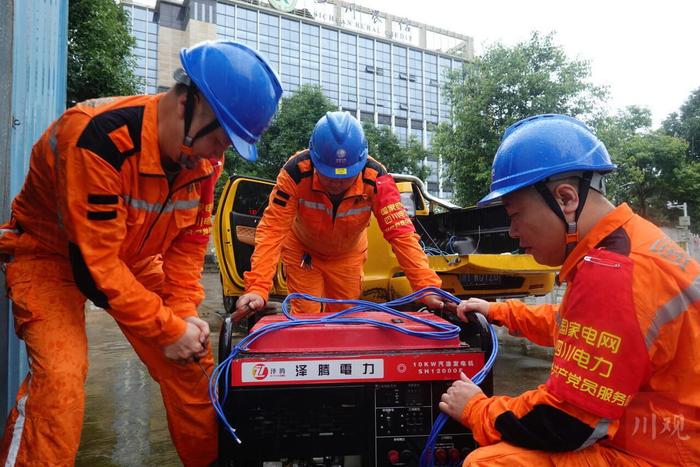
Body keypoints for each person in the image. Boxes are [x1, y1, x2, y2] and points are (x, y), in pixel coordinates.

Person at [0, 40, 282, 466]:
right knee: (60, 381)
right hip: (51, 258)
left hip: (133, 258)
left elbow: (187, 246)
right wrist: (165, 329)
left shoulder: (203, 162)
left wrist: (184, 314)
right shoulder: (97, 137)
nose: (219, 155)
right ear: (189, 102)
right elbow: (95, 269)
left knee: (194, 366)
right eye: (222, 139)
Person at [439, 114, 700, 466]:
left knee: (488, 462)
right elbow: (580, 327)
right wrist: (497, 312)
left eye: (515, 214)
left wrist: (475, 408)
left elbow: (566, 423)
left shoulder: (611, 272)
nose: (513, 232)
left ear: (565, 199)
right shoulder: (633, 244)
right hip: (670, 435)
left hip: (663, 453)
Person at [234, 111, 443, 320]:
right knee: (306, 317)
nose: (337, 183)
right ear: (315, 160)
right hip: (304, 254)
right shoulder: (295, 173)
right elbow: (272, 231)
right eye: (329, 175)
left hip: (348, 257)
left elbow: (401, 235)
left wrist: (426, 286)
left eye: (346, 177)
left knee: (345, 319)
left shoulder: (377, 178)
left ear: (360, 164)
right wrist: (257, 288)